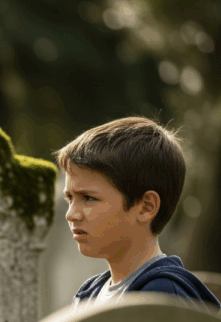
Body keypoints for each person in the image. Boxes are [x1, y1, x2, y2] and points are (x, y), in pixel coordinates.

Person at [54, 116, 220, 310]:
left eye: (88, 198)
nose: (71, 214)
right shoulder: (89, 292)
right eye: (70, 198)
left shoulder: (162, 296)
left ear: (146, 207)